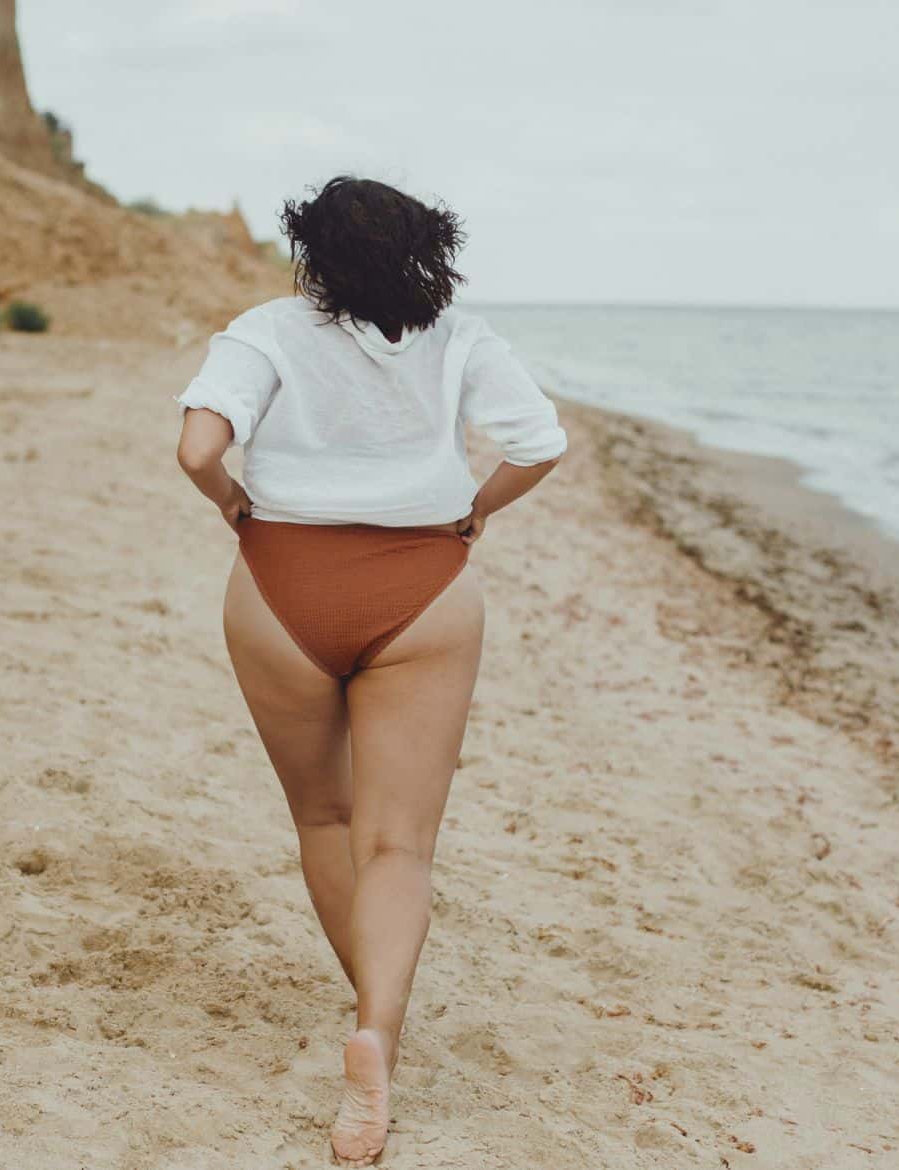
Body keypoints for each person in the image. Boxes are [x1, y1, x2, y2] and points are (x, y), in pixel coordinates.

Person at [173, 175, 567, 1166]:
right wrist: (477, 508)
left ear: (313, 254)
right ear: (422, 252)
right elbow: (541, 445)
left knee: (325, 818)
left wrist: (231, 502)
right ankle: (378, 1036)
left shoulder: (264, 328)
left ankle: (374, 1026)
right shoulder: (460, 338)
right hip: (423, 588)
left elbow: (194, 447)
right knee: (400, 846)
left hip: (279, 585)